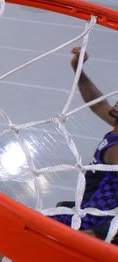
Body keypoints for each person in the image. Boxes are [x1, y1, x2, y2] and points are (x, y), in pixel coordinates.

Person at [49, 47, 118, 242]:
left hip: (95, 217)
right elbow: (97, 103)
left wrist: (96, 232)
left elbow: (104, 204)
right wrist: (78, 70)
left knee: (28, 225)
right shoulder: (116, 126)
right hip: (90, 207)